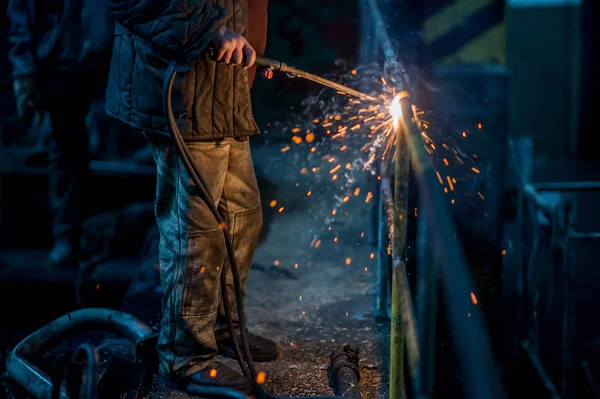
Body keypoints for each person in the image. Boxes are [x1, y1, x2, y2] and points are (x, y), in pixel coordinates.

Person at [105, 0, 276, 394]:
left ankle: (221, 327)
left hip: (224, 87)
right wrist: (205, 31)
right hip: (183, 87)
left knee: (242, 214)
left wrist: (250, 46)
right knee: (196, 229)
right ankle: (185, 354)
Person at [7, 0, 113, 267]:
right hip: (63, 60)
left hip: (111, 55)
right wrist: (24, 72)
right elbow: (20, 11)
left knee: (94, 146)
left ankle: (99, 231)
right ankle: (68, 235)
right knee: (66, 149)